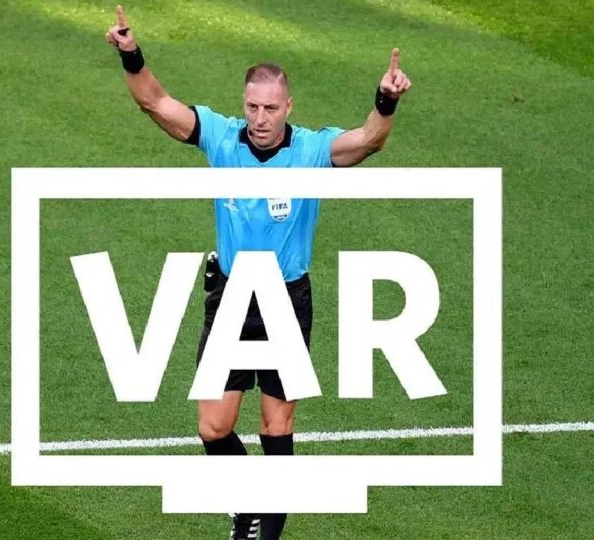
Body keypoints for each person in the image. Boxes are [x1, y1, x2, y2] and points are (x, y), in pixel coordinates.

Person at [105, 5, 411, 539]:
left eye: (271, 107)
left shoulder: (311, 150)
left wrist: (386, 100)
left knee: (276, 425)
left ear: (288, 106)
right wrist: (132, 54)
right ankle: (249, 500)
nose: (261, 117)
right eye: (253, 106)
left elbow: (368, 140)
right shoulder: (221, 138)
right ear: (242, 104)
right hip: (230, 295)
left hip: (285, 299)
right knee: (213, 426)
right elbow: (155, 102)